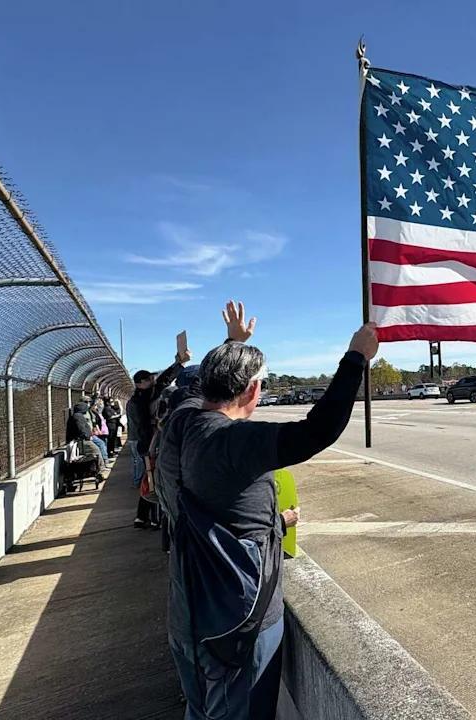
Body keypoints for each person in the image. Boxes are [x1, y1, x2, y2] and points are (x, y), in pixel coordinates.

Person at [156, 301, 377, 720]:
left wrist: (233, 344)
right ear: (253, 390)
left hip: (187, 610)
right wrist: (356, 358)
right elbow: (319, 429)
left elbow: (217, 512)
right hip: (234, 625)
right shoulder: (234, 442)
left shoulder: (182, 422)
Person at [128, 348, 191, 528]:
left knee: (150, 479)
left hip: (147, 445)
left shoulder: (140, 397)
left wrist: (179, 363)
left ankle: (142, 517)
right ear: (139, 383)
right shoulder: (139, 401)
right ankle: (154, 519)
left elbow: (162, 381)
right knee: (155, 480)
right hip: (150, 445)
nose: (153, 381)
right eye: (148, 379)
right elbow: (162, 383)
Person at [65, 401, 109, 480]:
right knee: (96, 450)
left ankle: (99, 468)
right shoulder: (78, 417)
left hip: (80, 440)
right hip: (82, 441)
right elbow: (82, 428)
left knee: (97, 449)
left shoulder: (76, 416)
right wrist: (87, 436)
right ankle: (100, 469)